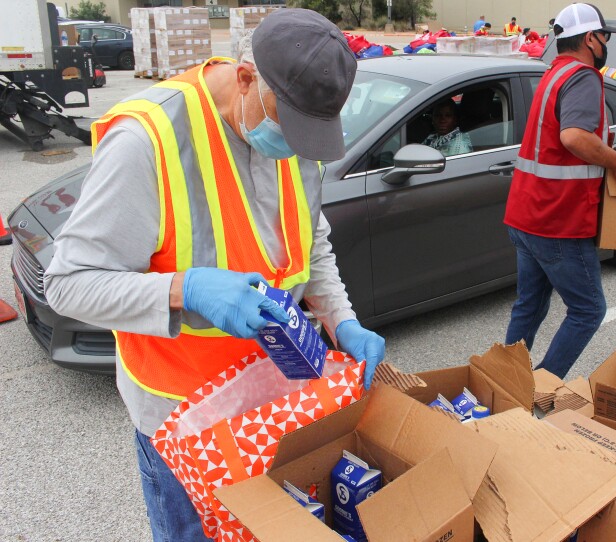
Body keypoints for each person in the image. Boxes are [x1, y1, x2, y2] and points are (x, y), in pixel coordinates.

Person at [43, 9, 386, 541]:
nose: (293, 147)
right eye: (288, 125)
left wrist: (342, 321)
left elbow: (311, 244)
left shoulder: (295, 133)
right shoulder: (150, 138)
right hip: (184, 423)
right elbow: (67, 283)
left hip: (272, 403)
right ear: (246, 77)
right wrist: (186, 288)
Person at [503, 3, 616, 380]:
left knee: (529, 307)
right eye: (604, 37)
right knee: (588, 310)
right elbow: (574, 136)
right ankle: (542, 387)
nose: (605, 44)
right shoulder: (583, 77)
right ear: (590, 39)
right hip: (558, 220)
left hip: (525, 214)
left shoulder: (553, 74)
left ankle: (504, 380)